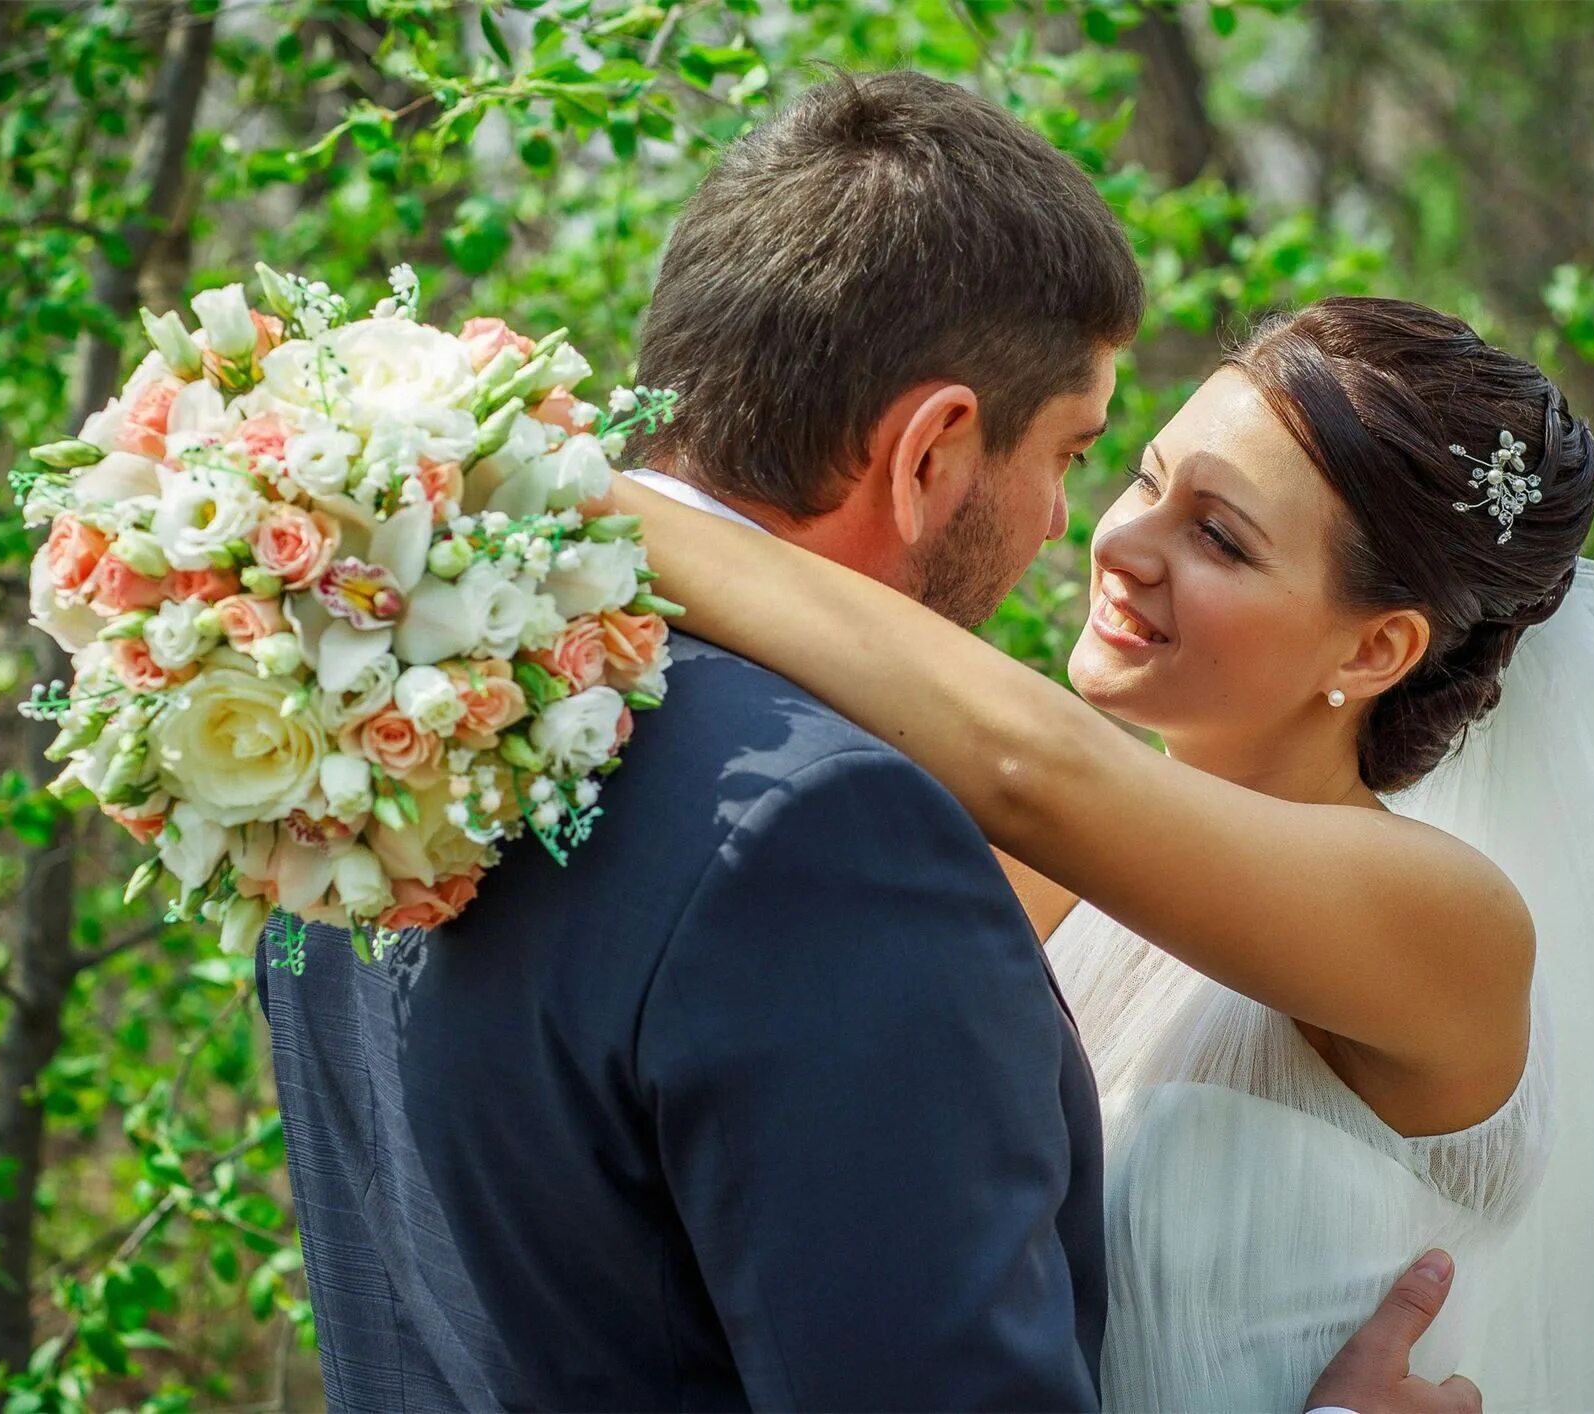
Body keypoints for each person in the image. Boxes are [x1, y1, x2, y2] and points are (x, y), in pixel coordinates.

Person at [259, 75, 1472, 1412]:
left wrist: (516, 485)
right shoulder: (826, 836)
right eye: (1083, 456)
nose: (1082, 532)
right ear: (932, 451)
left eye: (1218, 528)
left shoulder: (360, 707)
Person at [614, 293, 1594, 1411]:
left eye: (1218, 537)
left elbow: (1033, 765)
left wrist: (563, 494)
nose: (1117, 543)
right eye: (1141, 477)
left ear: (1371, 650)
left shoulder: (1436, 913)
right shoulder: (1064, 884)